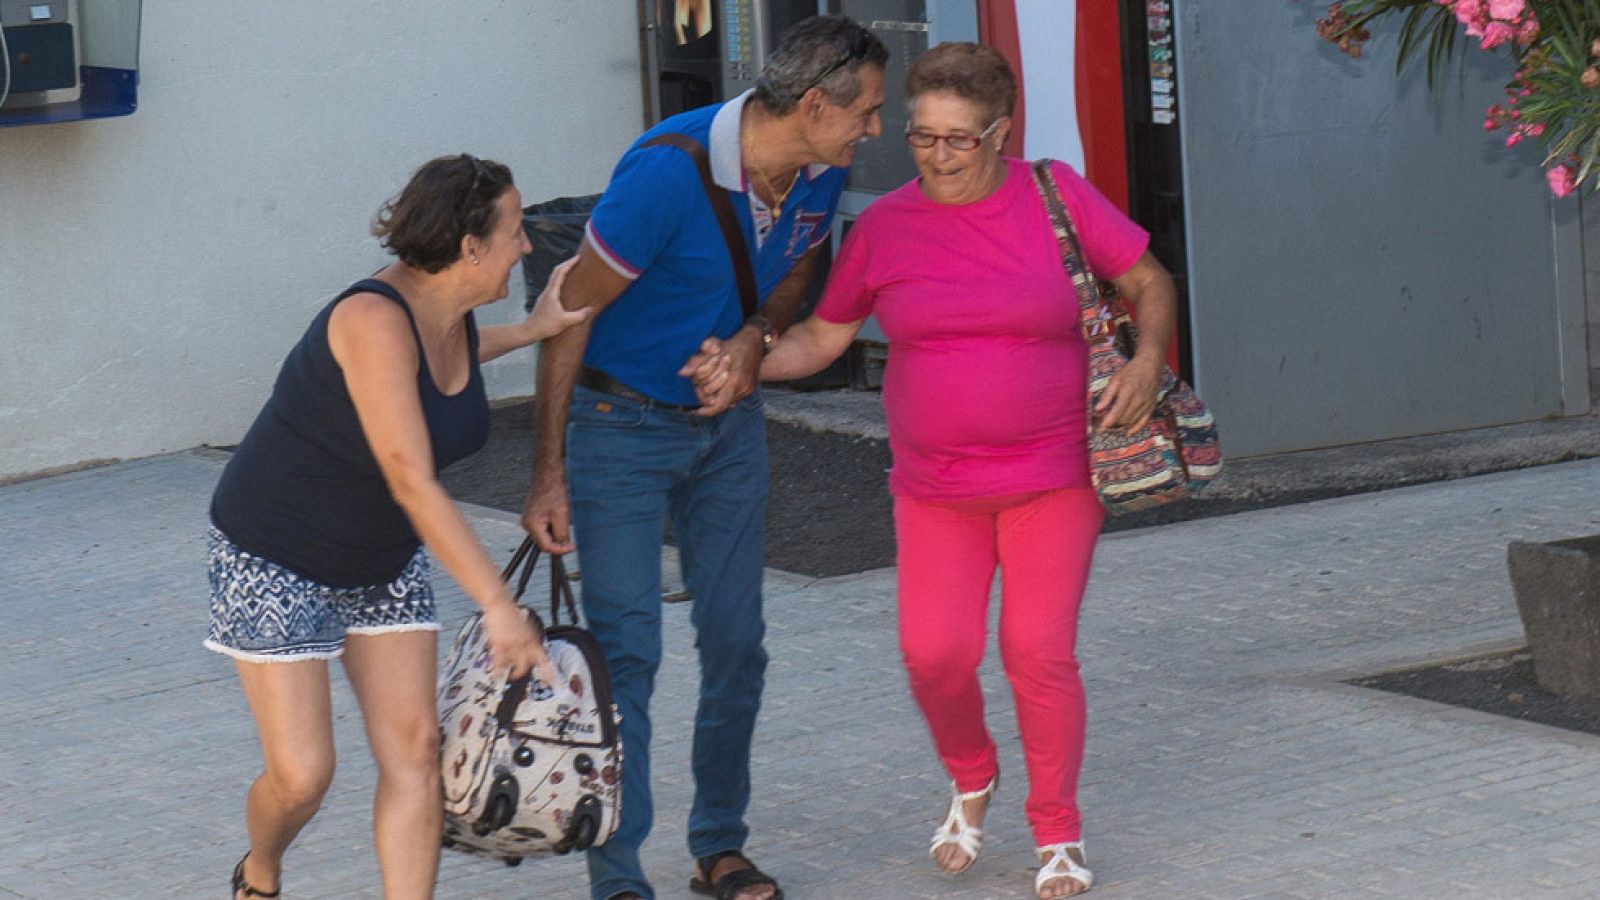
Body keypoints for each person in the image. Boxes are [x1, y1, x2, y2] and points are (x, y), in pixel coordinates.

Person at [691, 42, 1177, 899]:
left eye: (960, 139)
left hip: (1053, 477)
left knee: (1036, 652)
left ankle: (1057, 830)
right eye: (922, 138)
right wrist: (744, 361)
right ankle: (972, 770)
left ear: (1001, 132)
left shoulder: (1055, 194)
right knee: (933, 657)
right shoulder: (886, 227)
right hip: (936, 489)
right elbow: (825, 337)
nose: (939, 156)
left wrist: (1145, 362)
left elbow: (1146, 277)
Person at [519, 16, 888, 900]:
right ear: (811, 103)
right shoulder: (667, 173)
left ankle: (719, 845)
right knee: (628, 656)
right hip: (619, 429)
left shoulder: (810, 172)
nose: (875, 130)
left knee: (737, 645)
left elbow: (798, 267)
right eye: (867, 112)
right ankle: (618, 879)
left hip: (730, 434)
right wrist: (547, 471)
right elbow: (569, 311)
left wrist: (755, 337)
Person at [205, 154, 588, 900]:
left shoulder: (449, 314)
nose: (527, 245)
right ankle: (260, 871)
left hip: (378, 557)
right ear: (470, 247)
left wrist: (533, 328)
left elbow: (451, 360)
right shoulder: (371, 318)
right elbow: (410, 476)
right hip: (274, 556)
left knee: (416, 749)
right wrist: (497, 606)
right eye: (515, 230)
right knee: (304, 775)